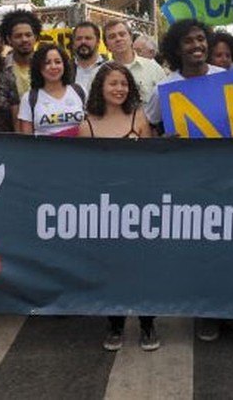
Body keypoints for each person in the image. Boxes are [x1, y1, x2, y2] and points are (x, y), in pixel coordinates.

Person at [143, 19, 233, 343]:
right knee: (203, 247)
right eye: (188, 41)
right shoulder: (165, 87)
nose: (197, 45)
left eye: (200, 39)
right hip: (192, 180)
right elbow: (147, 124)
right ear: (176, 49)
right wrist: (164, 138)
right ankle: (206, 313)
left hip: (232, 176)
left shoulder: (229, 79)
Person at [77, 63, 158, 351]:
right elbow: (83, 173)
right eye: (113, 83)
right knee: (111, 268)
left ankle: (148, 324)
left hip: (139, 205)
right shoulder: (86, 126)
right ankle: (115, 323)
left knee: (145, 268)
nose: (119, 89)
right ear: (100, 87)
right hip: (105, 210)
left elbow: (152, 162)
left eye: (124, 84)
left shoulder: (139, 117)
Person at [17, 44, 85, 137]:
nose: (53, 66)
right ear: (38, 67)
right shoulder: (29, 98)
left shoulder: (80, 91)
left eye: (58, 62)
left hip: (78, 150)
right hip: (43, 150)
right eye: (47, 63)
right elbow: (27, 140)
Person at [103, 19, 166, 109]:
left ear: (131, 38)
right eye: (112, 37)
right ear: (107, 46)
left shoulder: (154, 69)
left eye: (122, 34)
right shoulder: (99, 74)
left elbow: (167, 102)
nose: (118, 39)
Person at [0, 10, 41, 97]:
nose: (24, 40)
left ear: (35, 37)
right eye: (18, 36)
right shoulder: (0, 68)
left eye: (28, 35)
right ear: (9, 39)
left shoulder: (47, 64)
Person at [71, 21, 106, 93]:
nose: (83, 42)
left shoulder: (108, 68)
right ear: (73, 43)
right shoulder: (65, 70)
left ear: (98, 42)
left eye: (88, 38)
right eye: (79, 39)